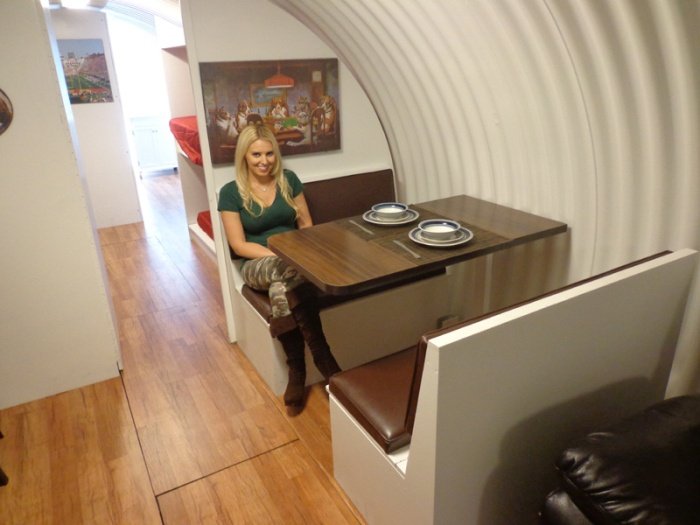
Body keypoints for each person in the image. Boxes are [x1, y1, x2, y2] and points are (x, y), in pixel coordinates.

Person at [218, 124, 341, 408]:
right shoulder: (231, 193)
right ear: (244, 156)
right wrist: (279, 256)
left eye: (269, 154)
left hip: (293, 264)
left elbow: (306, 226)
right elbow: (238, 245)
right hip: (256, 264)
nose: (264, 161)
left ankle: (296, 369)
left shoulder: (289, 180)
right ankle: (325, 360)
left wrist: (298, 255)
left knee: (281, 288)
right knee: (281, 272)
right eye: (256, 155)